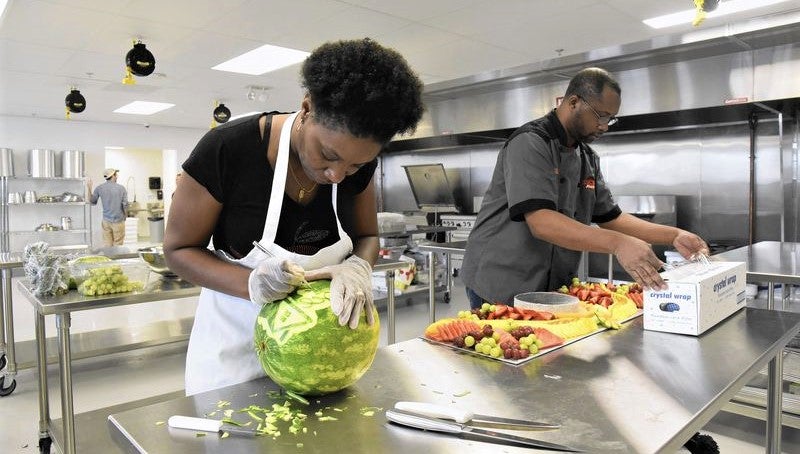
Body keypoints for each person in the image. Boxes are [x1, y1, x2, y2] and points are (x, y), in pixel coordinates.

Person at [164, 38, 424, 395]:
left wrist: (359, 267)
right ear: (307, 107)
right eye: (328, 154)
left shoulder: (356, 168)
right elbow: (178, 250)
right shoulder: (227, 150)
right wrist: (251, 282)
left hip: (328, 365)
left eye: (355, 165)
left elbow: (366, 236)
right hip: (235, 361)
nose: (337, 175)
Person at [460, 67, 709, 308]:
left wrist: (674, 235)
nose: (603, 126)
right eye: (600, 116)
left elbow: (612, 218)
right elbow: (542, 222)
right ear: (573, 102)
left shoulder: (586, 157)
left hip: (550, 285)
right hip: (501, 280)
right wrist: (619, 244)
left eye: (610, 119)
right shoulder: (531, 142)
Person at [89, 168, 129, 247]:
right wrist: (125, 215)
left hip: (106, 221)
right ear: (113, 176)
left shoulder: (99, 188)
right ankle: (116, 259)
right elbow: (125, 205)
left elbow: (92, 201)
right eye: (116, 175)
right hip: (119, 220)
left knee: (107, 244)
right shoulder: (121, 188)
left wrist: (89, 188)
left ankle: (109, 259)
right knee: (118, 244)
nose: (117, 176)